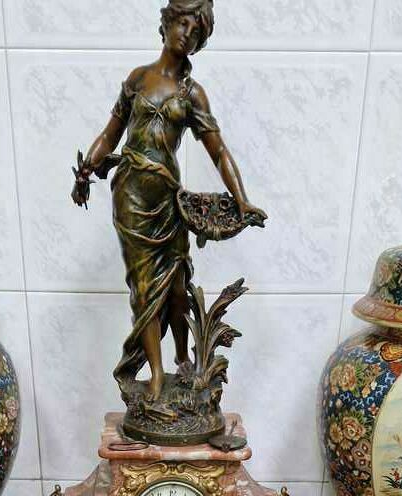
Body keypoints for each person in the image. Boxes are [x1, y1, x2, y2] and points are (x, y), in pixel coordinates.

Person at [72, 0, 265, 417]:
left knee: (177, 287)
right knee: (144, 289)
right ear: (166, 23)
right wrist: (86, 170)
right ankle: (156, 375)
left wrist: (241, 198)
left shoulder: (191, 94)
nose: (186, 34)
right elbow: (110, 134)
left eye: (196, 31)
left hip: (167, 199)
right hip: (131, 198)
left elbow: (218, 151)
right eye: (182, 23)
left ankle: (182, 363)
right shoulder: (138, 79)